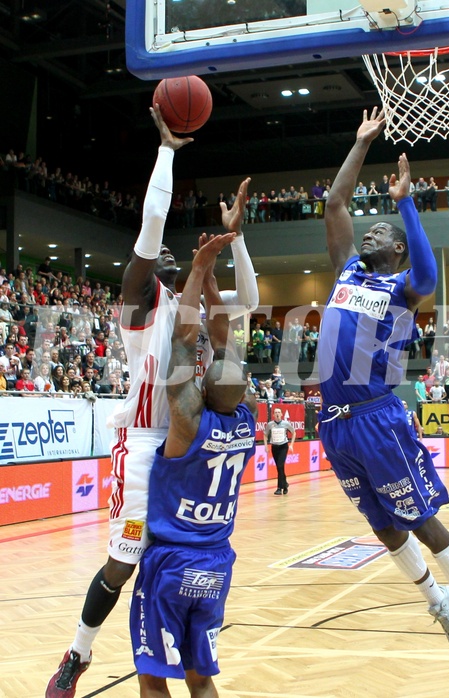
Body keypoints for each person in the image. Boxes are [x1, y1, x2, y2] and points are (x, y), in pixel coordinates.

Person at [46, 106, 259, 698]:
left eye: (173, 256)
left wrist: (234, 242)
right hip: (143, 450)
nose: (162, 254)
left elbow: (248, 300)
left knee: (178, 570)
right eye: (157, 257)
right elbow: (149, 227)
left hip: (188, 452)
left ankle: (184, 666)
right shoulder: (141, 309)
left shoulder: (195, 306)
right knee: (124, 561)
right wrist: (166, 152)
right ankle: (78, 654)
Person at [317, 108, 449, 667]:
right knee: (385, 528)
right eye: (370, 228)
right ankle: (440, 605)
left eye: (384, 232)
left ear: (397, 250)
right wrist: (361, 143)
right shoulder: (348, 272)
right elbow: (334, 205)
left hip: (376, 417)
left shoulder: (403, 288)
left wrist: (405, 203)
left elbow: (427, 275)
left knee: (418, 518)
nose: (370, 231)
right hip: (334, 424)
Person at [129, 232, 258, 696]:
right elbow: (224, 346)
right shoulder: (247, 422)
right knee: (199, 678)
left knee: (153, 677)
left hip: (171, 562)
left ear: (202, 388)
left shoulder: (186, 421)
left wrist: (201, 266)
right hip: (217, 562)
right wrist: (208, 287)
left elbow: (186, 337)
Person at [264, 406, 296, 495]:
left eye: (279, 412)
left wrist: (292, 445)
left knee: (280, 465)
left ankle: (279, 488)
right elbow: (265, 434)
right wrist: (266, 446)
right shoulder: (270, 424)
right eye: (275, 412)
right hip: (274, 447)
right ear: (273, 414)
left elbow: (294, 432)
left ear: (281, 414)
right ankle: (285, 485)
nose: (277, 414)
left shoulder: (286, 424)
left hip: (283, 446)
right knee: (279, 467)